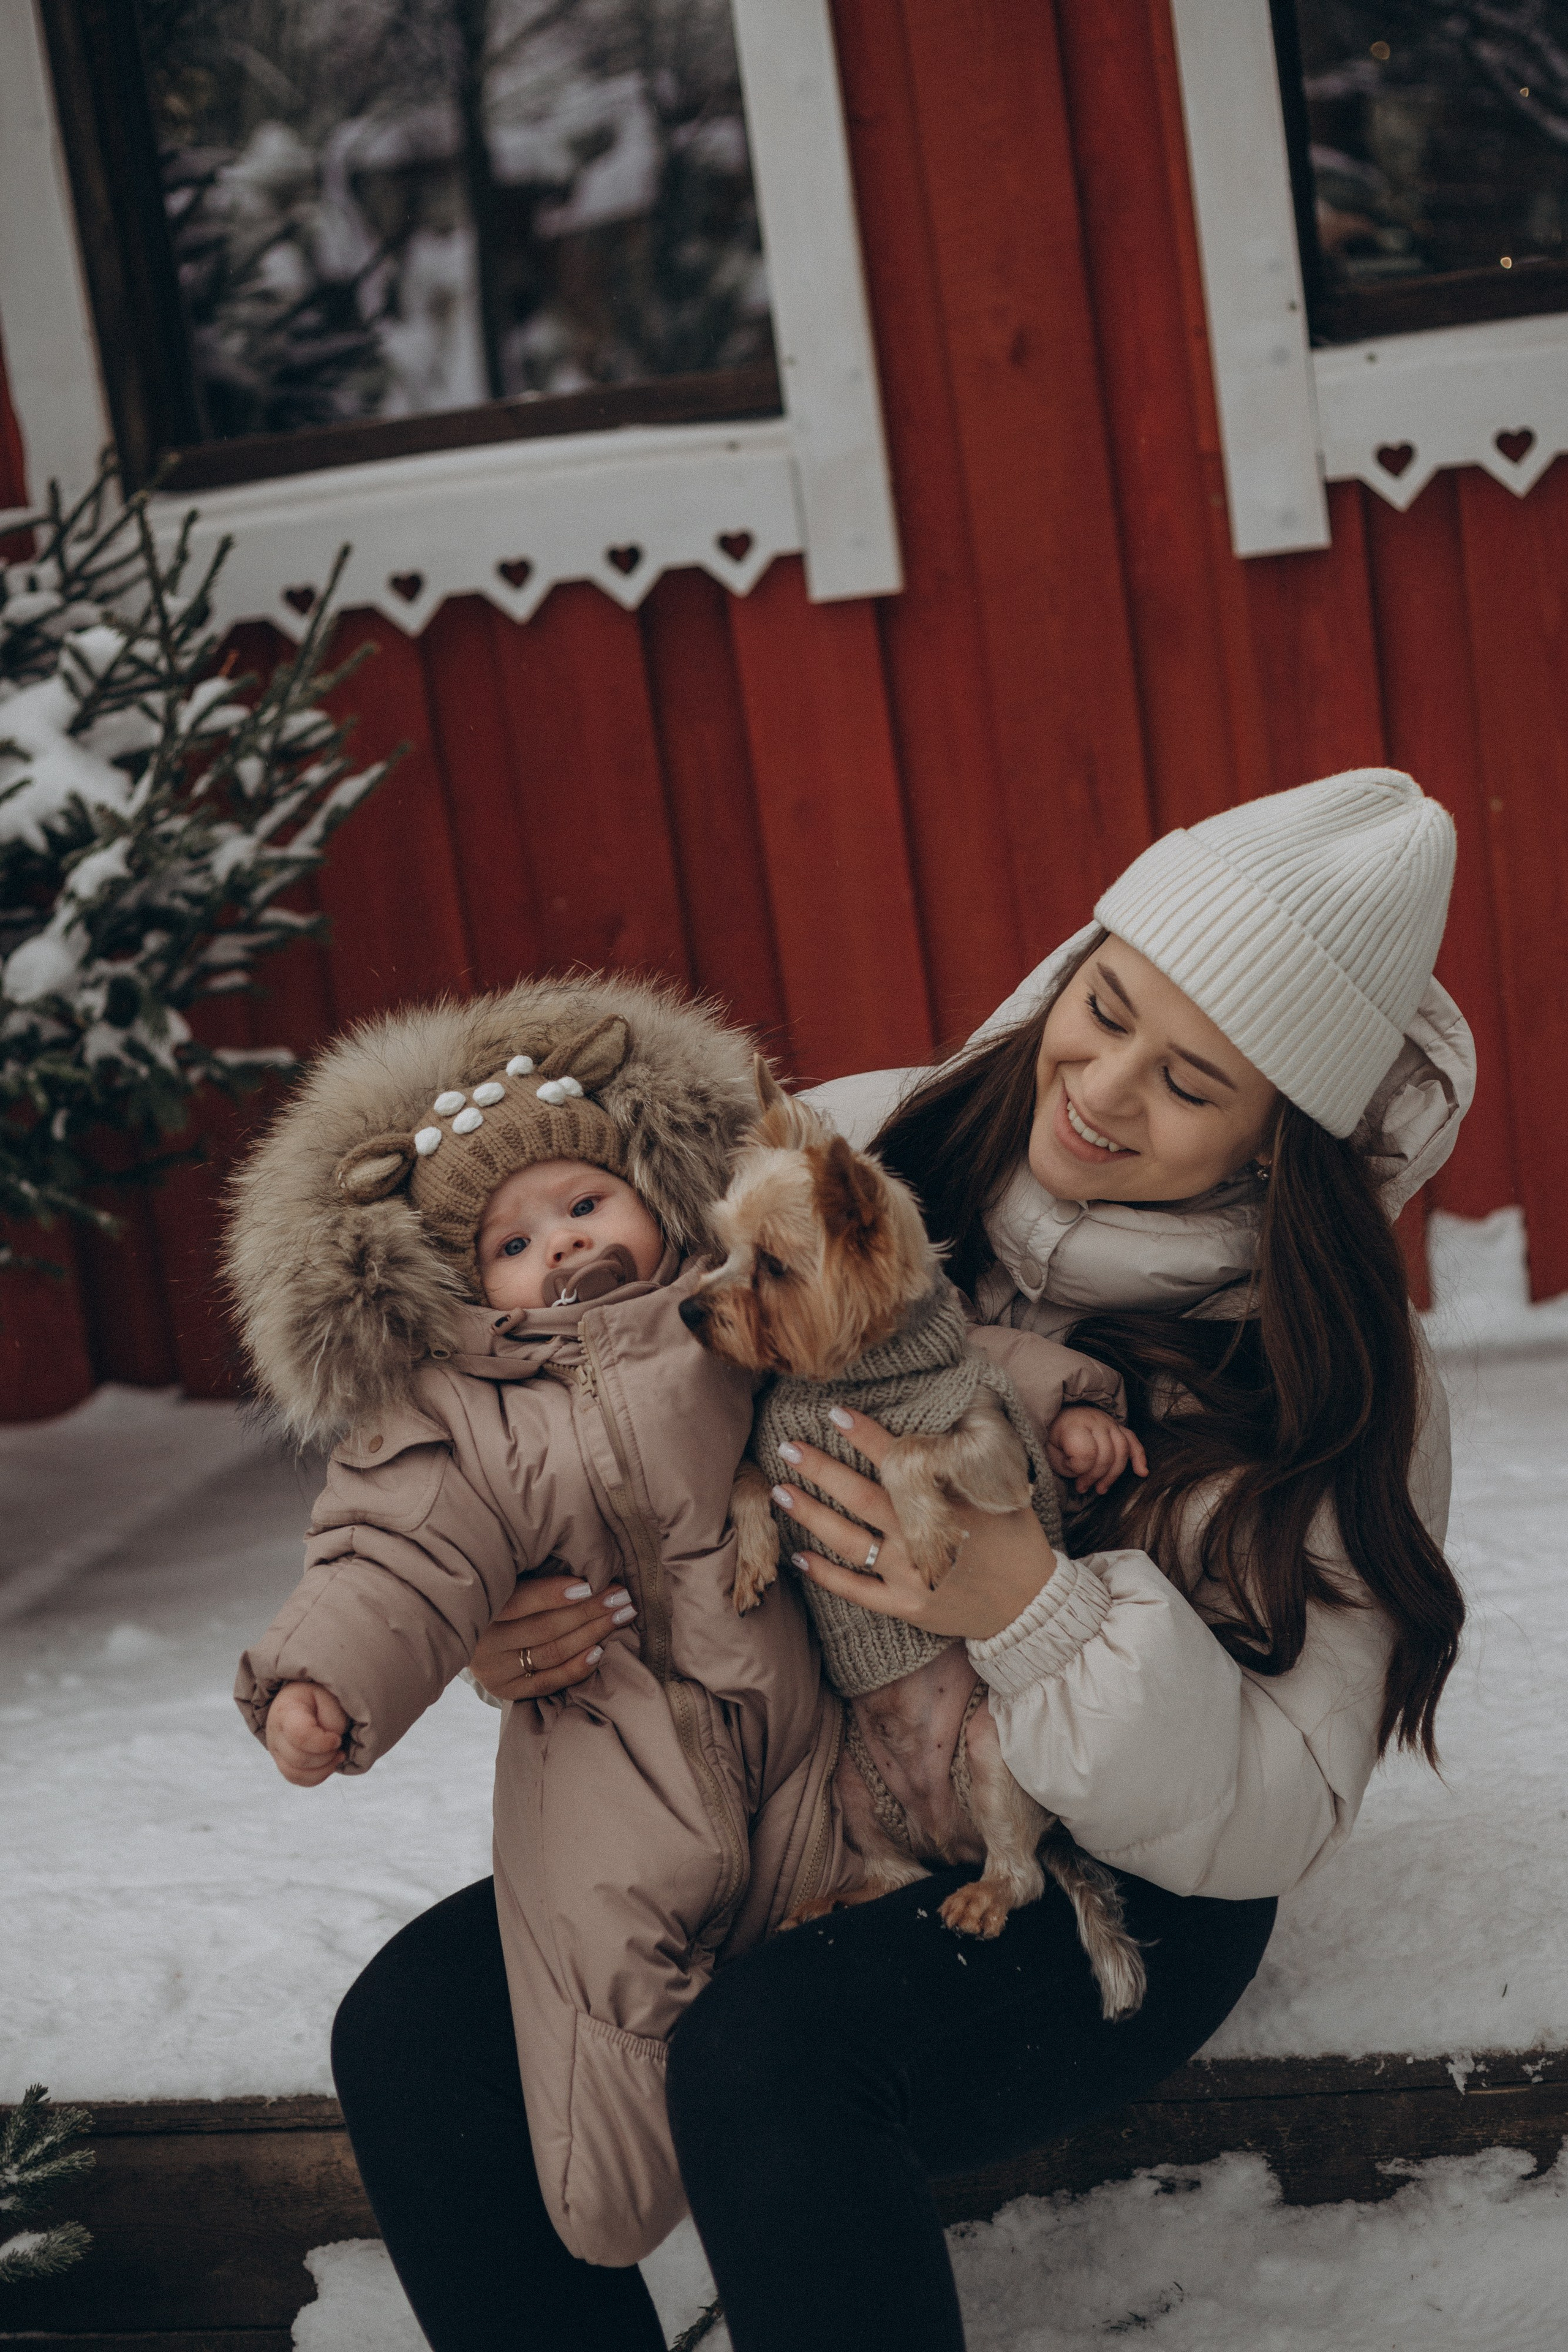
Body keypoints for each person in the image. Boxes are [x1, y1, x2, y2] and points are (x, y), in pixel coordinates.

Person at [331, 767, 1474, 2352]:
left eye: (1194, 1082)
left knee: (773, 2052)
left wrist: (1033, 1611)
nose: (1105, 1087)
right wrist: (509, 1611)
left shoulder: (1339, 1376)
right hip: (813, 1786)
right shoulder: (868, 1142)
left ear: (1285, 1133)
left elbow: (1281, 1803)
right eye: (1108, 1001)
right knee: (413, 2028)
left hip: (1112, 1871)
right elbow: (589, 1407)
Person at [225, 973, 1127, 2335]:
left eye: (586, 1204)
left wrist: (1063, 1401)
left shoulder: (736, 1323)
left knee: (768, 2054)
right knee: (584, 2020)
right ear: (463, 1289)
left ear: (655, 1196)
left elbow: (925, 1354)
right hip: (616, 1781)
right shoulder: (461, 1415)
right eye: (512, 1244)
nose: (563, 1248)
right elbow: (395, 1551)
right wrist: (322, 1680)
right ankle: (616, 2180)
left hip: (819, 1780)